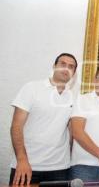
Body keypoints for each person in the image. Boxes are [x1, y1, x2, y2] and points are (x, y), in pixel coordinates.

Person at [10, 53, 78, 185]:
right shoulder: (31, 88)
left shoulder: (73, 97)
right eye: (62, 64)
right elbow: (16, 127)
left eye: (71, 67)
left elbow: (71, 132)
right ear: (54, 66)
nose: (66, 69)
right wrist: (22, 160)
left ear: (74, 73)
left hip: (60, 168)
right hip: (27, 166)